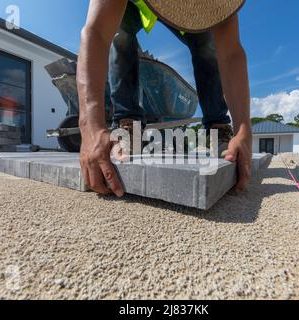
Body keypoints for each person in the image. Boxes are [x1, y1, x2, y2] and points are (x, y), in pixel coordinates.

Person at [77, 0, 252, 198]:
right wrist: (90, 127)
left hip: (195, 9)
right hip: (133, 4)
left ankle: (217, 127)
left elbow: (230, 53)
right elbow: (97, 33)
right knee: (120, 33)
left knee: (206, 43)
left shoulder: (218, 4)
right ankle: (129, 124)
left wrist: (243, 129)